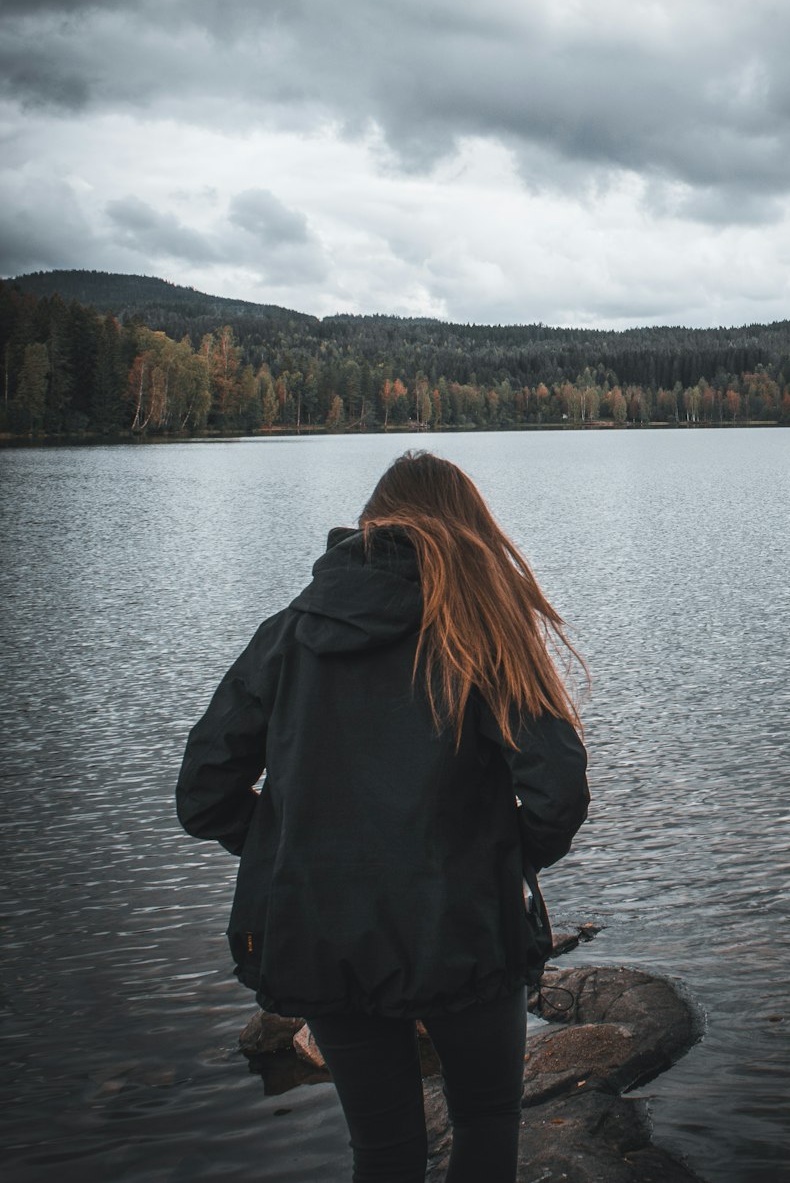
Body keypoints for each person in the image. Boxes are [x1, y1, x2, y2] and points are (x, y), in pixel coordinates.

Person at [176, 450, 589, 1183]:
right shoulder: (482, 630)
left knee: (386, 1151)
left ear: (370, 527)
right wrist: (502, 858)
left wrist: (294, 854)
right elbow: (557, 790)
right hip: (461, 927)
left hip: (323, 931)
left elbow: (205, 791)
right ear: (467, 528)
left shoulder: (288, 634)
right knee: (486, 1124)